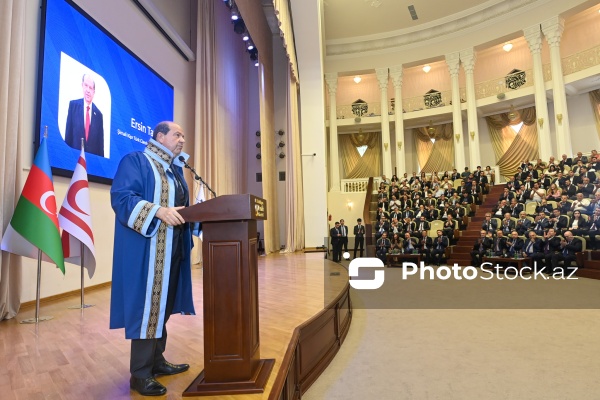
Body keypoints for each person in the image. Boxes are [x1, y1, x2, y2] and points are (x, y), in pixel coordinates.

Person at [110, 121, 196, 396]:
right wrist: (158, 211)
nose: (182, 140)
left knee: (163, 306)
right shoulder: (136, 161)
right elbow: (122, 198)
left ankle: (157, 361)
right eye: (177, 134)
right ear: (160, 136)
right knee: (148, 308)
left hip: (174, 249)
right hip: (148, 252)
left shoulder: (176, 171)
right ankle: (140, 374)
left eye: (183, 135)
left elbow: (182, 210)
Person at [65, 74, 105, 157]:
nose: (88, 90)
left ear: (94, 92)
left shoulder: (99, 115)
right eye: (86, 85)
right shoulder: (73, 106)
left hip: (91, 163)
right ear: (82, 86)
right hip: (74, 159)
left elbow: (100, 148)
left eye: (90, 88)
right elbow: (68, 137)